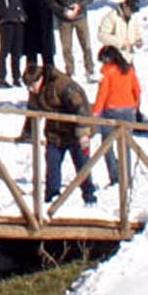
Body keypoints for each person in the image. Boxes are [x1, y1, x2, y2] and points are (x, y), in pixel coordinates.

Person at [17, 62, 96, 205]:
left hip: (75, 133)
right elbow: (32, 112)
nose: (30, 89)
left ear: (40, 79)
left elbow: (81, 108)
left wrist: (83, 134)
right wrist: (27, 133)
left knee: (82, 167)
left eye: (32, 85)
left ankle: (89, 198)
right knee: (52, 168)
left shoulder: (63, 85)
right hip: (55, 134)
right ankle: (52, 200)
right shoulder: (35, 92)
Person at [91, 45, 143, 185]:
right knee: (126, 146)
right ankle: (126, 178)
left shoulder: (107, 72)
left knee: (106, 145)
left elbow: (103, 93)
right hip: (128, 111)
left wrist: (96, 111)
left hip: (111, 111)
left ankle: (115, 176)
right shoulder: (129, 70)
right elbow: (137, 90)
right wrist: (134, 106)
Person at [48, 0, 97, 80]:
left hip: (80, 17)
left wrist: (79, 5)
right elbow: (51, 2)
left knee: (86, 45)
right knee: (66, 47)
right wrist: (62, 10)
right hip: (64, 20)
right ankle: (70, 71)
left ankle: (90, 70)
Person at [17, 0, 56, 69]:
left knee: (47, 52)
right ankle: (32, 76)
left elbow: (51, 0)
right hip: (29, 24)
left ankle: (50, 73)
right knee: (31, 52)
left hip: (43, 23)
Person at [96, 0, 145, 70]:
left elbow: (136, 32)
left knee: (130, 80)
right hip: (114, 57)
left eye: (134, 11)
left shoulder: (133, 18)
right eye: (131, 10)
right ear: (125, 6)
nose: (132, 13)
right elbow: (101, 35)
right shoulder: (111, 16)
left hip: (128, 57)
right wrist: (120, 43)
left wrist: (138, 40)